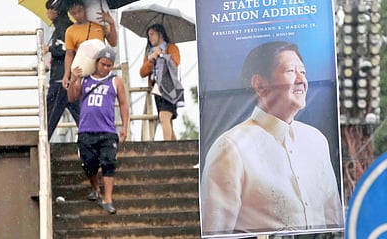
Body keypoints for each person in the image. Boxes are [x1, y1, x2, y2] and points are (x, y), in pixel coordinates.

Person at [200, 41, 343, 235]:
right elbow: (217, 234)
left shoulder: (317, 140)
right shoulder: (231, 148)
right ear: (260, 85)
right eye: (291, 71)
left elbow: (333, 220)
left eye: (304, 71)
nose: (301, 80)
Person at [67, 48, 129, 214]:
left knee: (109, 162)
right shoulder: (86, 79)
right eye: (103, 64)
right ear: (96, 62)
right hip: (87, 129)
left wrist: (124, 127)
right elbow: (72, 97)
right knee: (88, 163)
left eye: (109, 65)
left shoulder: (116, 81)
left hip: (107, 130)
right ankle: (95, 188)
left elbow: (123, 103)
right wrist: (74, 80)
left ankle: (108, 198)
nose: (105, 68)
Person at [62, 0, 118, 90]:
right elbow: (69, 55)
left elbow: (113, 42)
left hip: (100, 68)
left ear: (85, 9)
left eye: (79, 11)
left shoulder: (99, 24)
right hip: (83, 69)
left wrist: (111, 24)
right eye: (74, 13)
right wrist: (66, 75)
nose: (77, 15)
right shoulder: (70, 31)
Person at [43, 0, 80, 140]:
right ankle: (90, 137)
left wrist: (49, 48)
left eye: (49, 9)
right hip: (70, 78)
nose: (47, 13)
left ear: (56, 11)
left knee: (50, 116)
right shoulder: (64, 27)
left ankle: (43, 142)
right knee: (80, 113)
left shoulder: (63, 27)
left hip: (60, 79)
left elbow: (66, 50)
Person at [139, 24, 180, 140]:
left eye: (152, 34)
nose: (150, 38)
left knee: (164, 116)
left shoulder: (171, 48)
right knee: (167, 121)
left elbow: (175, 63)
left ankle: (167, 146)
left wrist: (160, 55)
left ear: (160, 34)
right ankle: (175, 147)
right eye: (148, 36)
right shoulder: (149, 52)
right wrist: (151, 59)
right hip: (156, 87)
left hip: (168, 86)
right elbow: (143, 72)